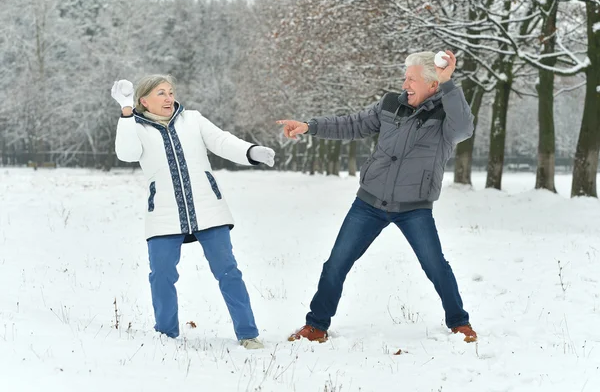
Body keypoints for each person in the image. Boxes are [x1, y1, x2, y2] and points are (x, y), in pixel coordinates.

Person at [278, 50, 478, 343]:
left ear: (432, 85)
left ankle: (459, 323)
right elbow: (352, 124)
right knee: (337, 263)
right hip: (369, 203)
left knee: (435, 265)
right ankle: (316, 326)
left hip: (414, 208)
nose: (405, 83)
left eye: (412, 78)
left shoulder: (446, 116)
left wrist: (448, 83)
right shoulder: (389, 105)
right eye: (405, 77)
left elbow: (465, 128)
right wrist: (311, 126)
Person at [111, 74, 274, 349]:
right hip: (163, 214)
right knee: (161, 275)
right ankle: (166, 334)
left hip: (208, 209)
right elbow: (126, 153)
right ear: (144, 100)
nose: (168, 97)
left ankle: (248, 334)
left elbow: (222, 141)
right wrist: (126, 111)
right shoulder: (135, 126)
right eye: (160, 93)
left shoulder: (193, 119)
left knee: (228, 271)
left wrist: (251, 151)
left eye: (170, 92)